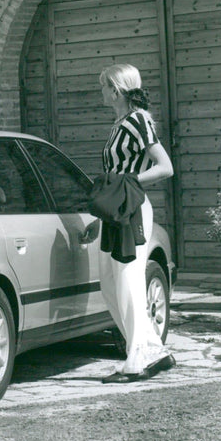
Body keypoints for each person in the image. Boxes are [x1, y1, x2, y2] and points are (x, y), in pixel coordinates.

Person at [81, 63, 176, 383]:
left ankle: (137, 361)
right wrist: (101, 217)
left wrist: (129, 184)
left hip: (132, 209)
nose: (101, 92)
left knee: (127, 282)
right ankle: (154, 350)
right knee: (110, 283)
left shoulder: (137, 120)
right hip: (118, 212)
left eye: (104, 86)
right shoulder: (120, 122)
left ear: (116, 90)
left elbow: (165, 167)